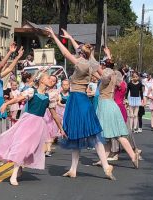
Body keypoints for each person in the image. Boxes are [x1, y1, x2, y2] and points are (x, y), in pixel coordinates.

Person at [46, 27, 115, 180]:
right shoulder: (92, 64)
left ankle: (104, 166)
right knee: (81, 134)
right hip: (82, 99)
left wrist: (53, 36)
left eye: (78, 50)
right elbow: (103, 76)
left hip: (76, 99)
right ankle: (75, 169)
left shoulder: (80, 63)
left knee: (87, 133)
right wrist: (70, 37)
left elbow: (65, 52)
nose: (76, 51)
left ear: (81, 53)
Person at [0, 73, 65, 186]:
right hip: (28, 121)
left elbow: (54, 114)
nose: (51, 80)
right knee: (22, 146)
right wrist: (6, 104)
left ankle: (19, 169)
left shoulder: (50, 97)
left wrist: (61, 128)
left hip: (38, 125)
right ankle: (13, 175)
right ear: (42, 81)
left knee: (30, 149)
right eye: (48, 78)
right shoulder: (32, 91)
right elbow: (18, 98)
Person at [96, 68, 139, 169]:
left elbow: (97, 71)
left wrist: (90, 61)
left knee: (115, 135)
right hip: (110, 106)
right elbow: (97, 73)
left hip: (106, 107)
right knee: (109, 135)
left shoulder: (107, 81)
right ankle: (104, 159)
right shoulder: (112, 81)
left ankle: (133, 156)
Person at [43, 75, 59, 157]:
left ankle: (48, 149)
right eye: (50, 79)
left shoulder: (56, 91)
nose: (51, 81)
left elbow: (56, 102)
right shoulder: (42, 89)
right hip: (42, 111)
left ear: (56, 83)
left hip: (50, 112)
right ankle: (44, 149)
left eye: (53, 81)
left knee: (49, 130)